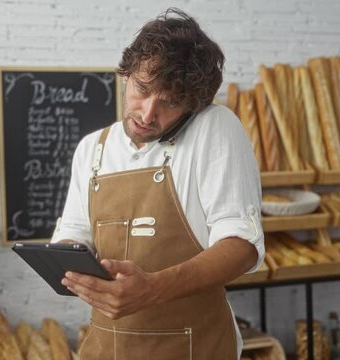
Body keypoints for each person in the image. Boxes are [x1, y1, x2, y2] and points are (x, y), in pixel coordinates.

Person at [51, 8, 264, 359]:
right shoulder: (93, 148)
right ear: (125, 74)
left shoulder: (216, 128)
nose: (148, 113)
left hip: (195, 348)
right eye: (142, 89)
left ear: (193, 106)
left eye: (170, 102)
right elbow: (73, 233)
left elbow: (242, 246)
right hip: (106, 349)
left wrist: (152, 289)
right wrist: (72, 264)